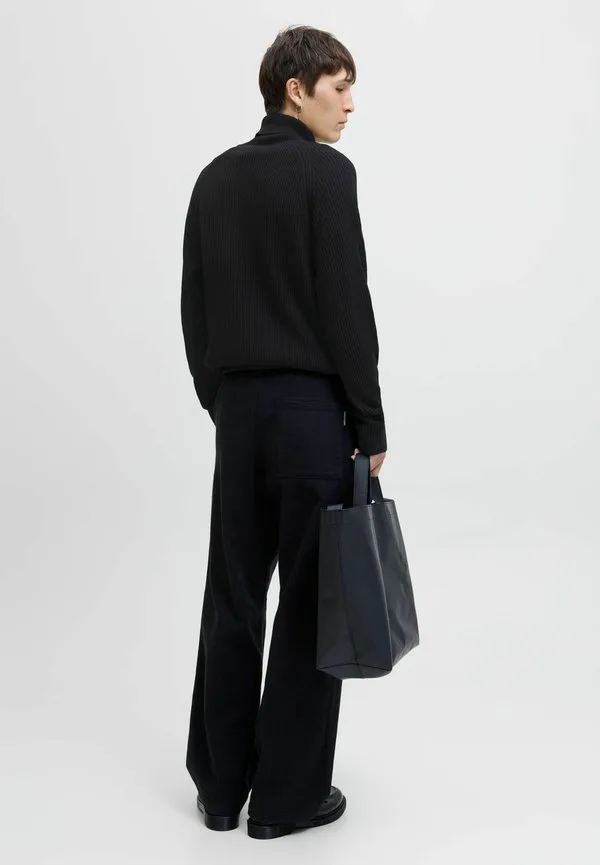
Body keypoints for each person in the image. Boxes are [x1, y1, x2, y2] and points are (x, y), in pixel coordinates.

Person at [180, 24, 387, 840]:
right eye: (339, 86)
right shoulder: (328, 174)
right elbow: (346, 305)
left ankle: (219, 787)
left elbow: (195, 306)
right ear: (294, 90)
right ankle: (286, 799)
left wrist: (223, 400)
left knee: (233, 594)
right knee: (307, 601)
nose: (350, 103)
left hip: (239, 419)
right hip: (310, 418)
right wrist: (367, 420)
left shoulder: (214, 177)